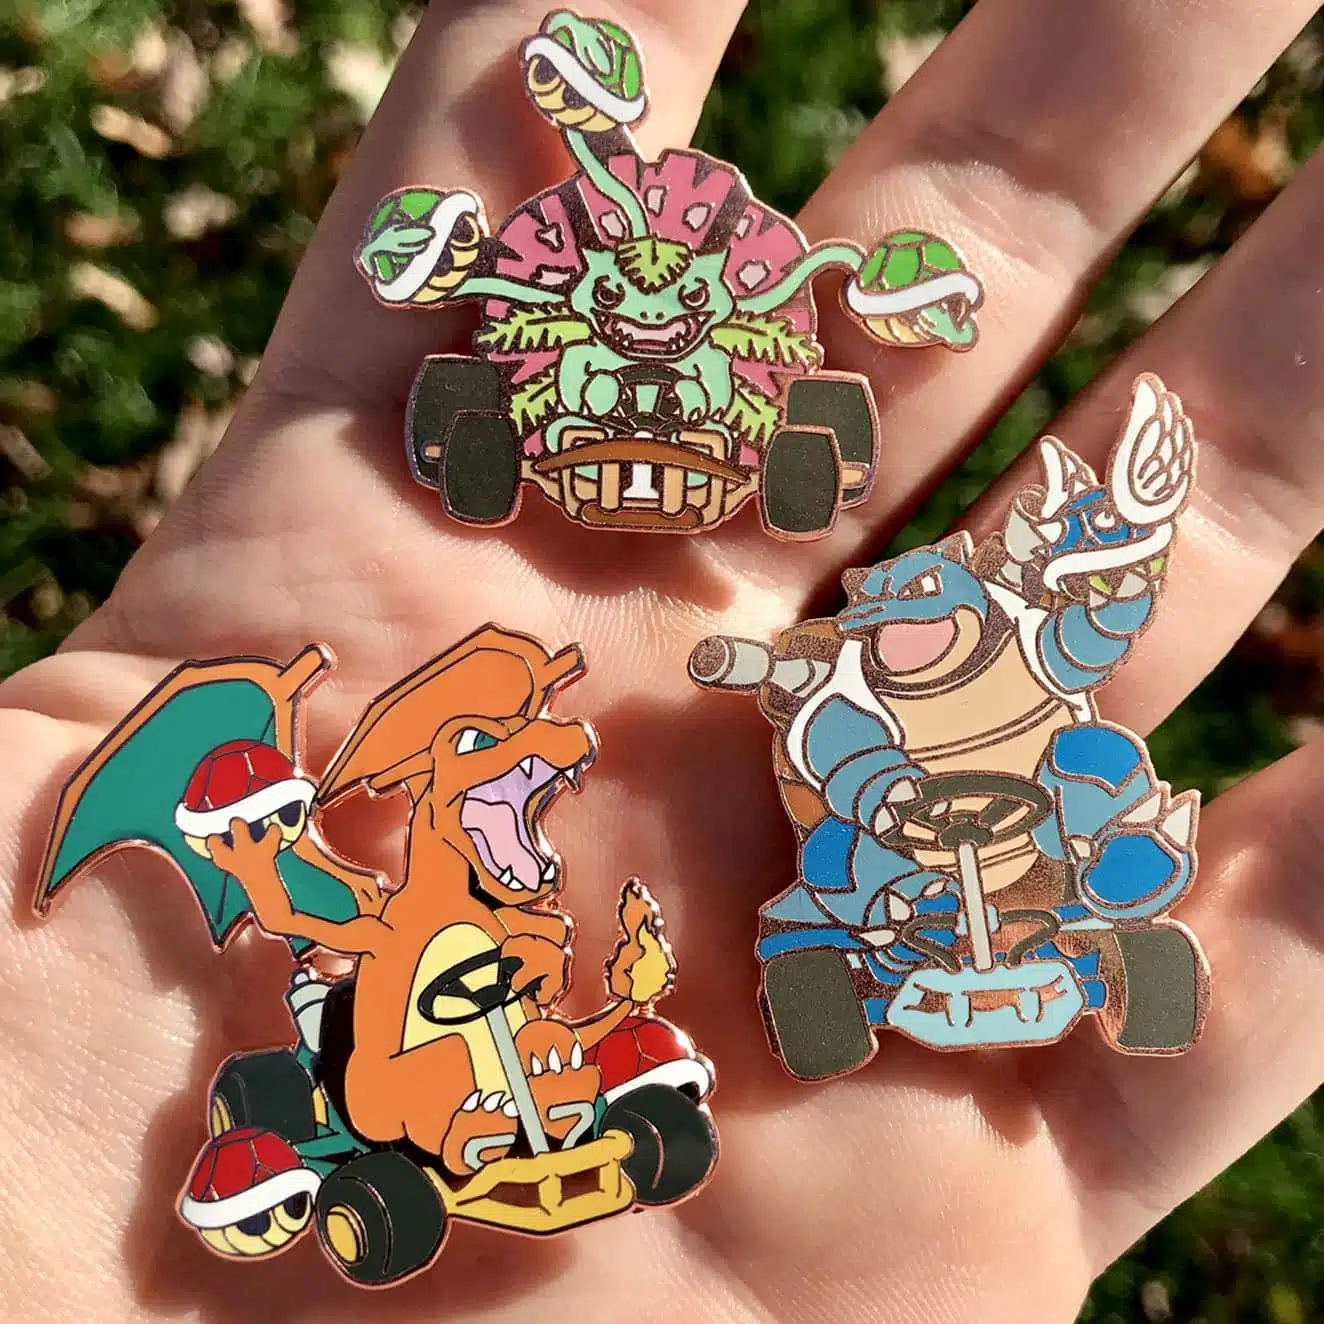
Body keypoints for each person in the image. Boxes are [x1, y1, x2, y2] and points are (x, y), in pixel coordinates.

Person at [4, 0, 1324, 1318]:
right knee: (819, 908)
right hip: (435, 1079)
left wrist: (1106, 558)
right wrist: (251, 836)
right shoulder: (424, 902)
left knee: (1093, 811)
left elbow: (1075, 644)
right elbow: (318, 907)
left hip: (912, 850)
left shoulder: (1003, 674)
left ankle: (1104, 922)